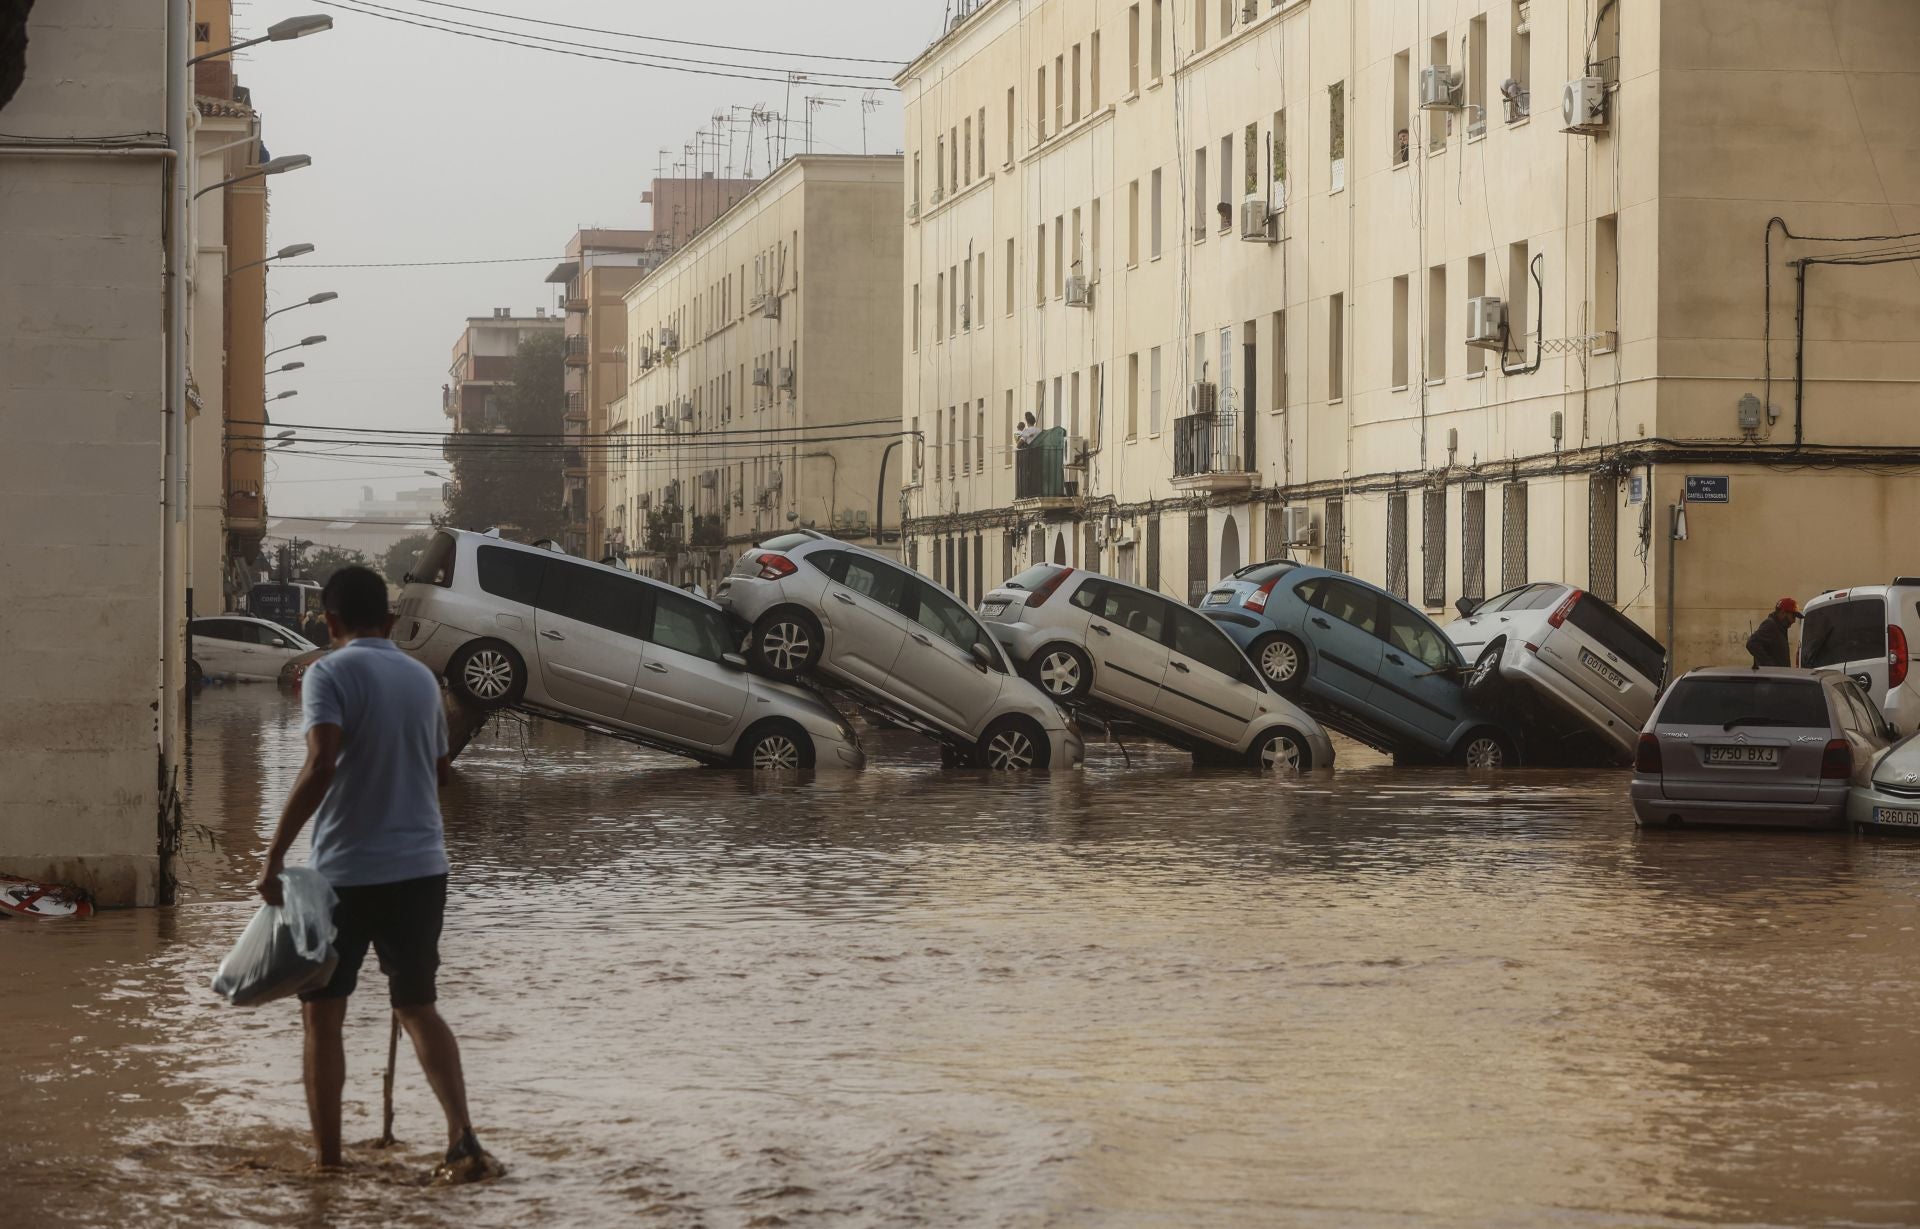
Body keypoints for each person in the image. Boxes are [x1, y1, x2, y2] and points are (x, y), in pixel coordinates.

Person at [255, 565, 500, 1184]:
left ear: (328, 622)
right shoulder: (421, 678)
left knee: (322, 1014)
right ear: (390, 622)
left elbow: (319, 764)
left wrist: (274, 855)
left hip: (346, 872)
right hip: (423, 868)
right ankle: (463, 1140)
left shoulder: (327, 673)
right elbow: (442, 771)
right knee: (419, 1006)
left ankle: (329, 1166)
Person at [1746, 596, 1800, 668]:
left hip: (1779, 676)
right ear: (1783, 613)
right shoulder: (1771, 625)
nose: (1794, 621)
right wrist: (1770, 666)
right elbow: (1751, 644)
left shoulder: (1780, 628)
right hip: (1773, 677)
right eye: (1793, 616)